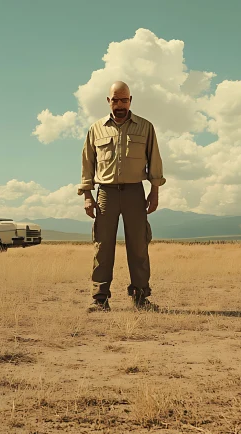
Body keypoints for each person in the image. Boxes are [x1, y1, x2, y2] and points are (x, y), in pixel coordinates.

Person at [77, 81, 166, 312]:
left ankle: (140, 297)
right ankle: (99, 299)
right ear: (108, 101)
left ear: (130, 100)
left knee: (138, 246)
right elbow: (87, 164)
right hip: (105, 193)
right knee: (102, 247)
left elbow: (155, 161)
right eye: (115, 100)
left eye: (123, 100)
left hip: (135, 192)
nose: (119, 104)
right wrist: (88, 195)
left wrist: (154, 192)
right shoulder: (96, 129)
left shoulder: (145, 127)